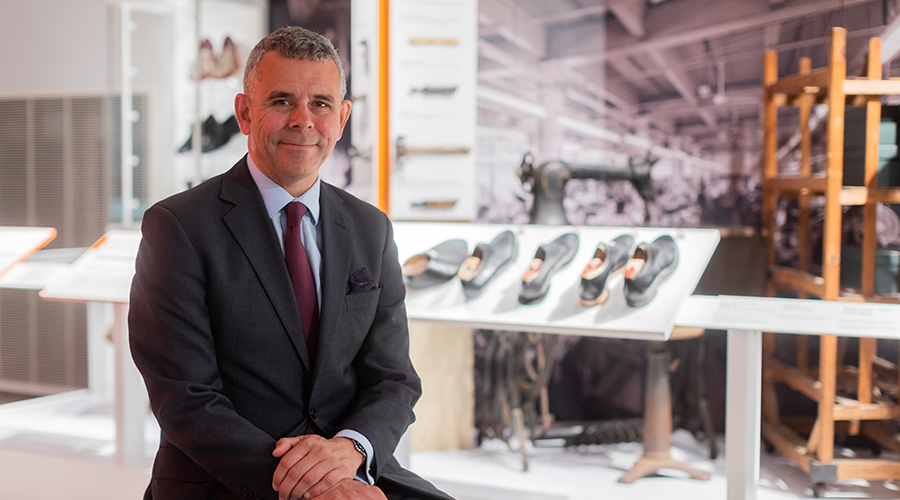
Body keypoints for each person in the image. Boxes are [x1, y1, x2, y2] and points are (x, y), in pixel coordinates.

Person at [129, 26, 453, 500]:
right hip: (229, 479)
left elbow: (394, 379)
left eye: (320, 104)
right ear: (244, 112)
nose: (303, 120)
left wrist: (349, 453)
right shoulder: (177, 227)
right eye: (281, 101)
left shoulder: (371, 228)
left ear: (341, 119)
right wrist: (313, 486)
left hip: (350, 465)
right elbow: (186, 399)